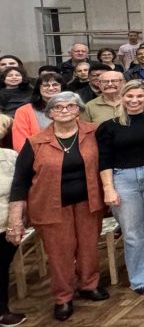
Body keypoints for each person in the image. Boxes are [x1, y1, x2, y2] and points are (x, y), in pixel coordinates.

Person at [6, 93, 108, 321]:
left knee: (89, 247)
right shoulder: (36, 142)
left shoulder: (94, 132)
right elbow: (20, 181)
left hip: (89, 202)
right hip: (50, 207)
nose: (65, 110)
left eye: (71, 106)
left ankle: (89, 285)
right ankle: (63, 297)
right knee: (60, 254)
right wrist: (15, 217)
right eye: (58, 107)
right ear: (49, 113)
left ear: (79, 110)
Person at [96, 81, 144, 294]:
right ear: (122, 98)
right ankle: (139, 278)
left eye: (140, 96)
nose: (134, 100)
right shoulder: (108, 127)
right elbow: (104, 160)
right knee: (131, 232)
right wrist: (108, 188)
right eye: (129, 96)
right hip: (123, 179)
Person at [0, 115, 27, 325]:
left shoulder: (10, 156)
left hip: (7, 222)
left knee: (1, 266)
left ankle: (2, 311)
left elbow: (20, 187)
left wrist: (18, 218)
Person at [11, 72, 64, 152]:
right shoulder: (23, 111)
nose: (51, 88)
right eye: (46, 85)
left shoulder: (73, 108)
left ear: (62, 87)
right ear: (38, 89)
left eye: (55, 85)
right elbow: (20, 143)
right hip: (38, 155)